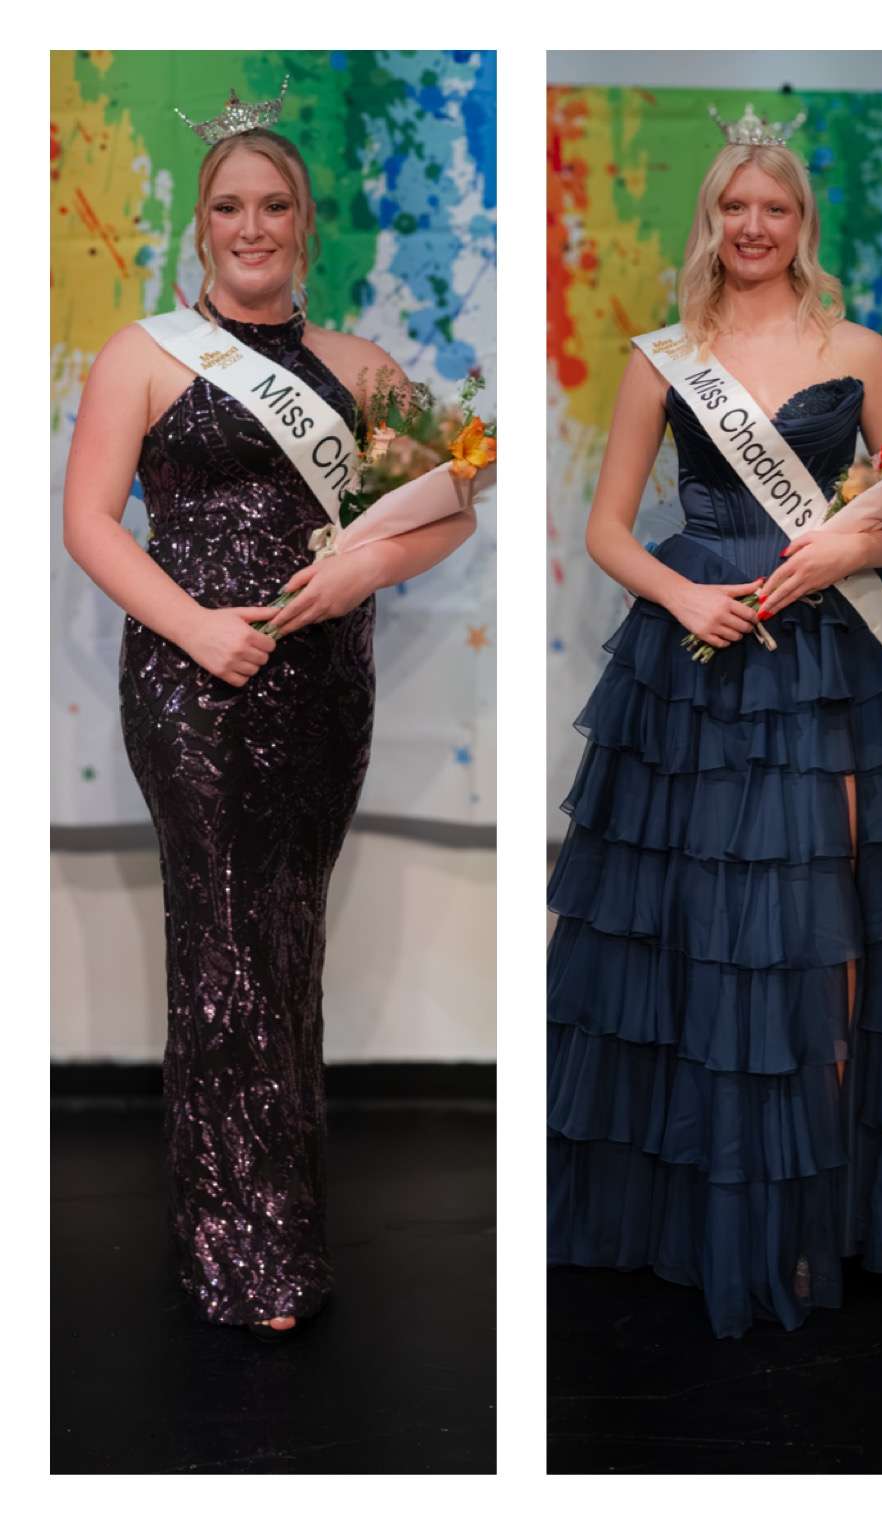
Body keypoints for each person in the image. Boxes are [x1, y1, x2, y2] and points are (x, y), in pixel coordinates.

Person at [546, 107, 882, 1338]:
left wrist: (837, 543)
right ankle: (714, 1213)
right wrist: (689, 590)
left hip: (825, 653)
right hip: (694, 652)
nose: (752, 225)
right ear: (712, 219)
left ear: (803, 225)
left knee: (825, 930)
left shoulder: (861, 345)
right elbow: (605, 528)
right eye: (734, 206)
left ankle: (818, 1215)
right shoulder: (662, 355)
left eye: (775, 208)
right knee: (702, 934)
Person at [61, 91, 477, 1339]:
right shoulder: (142, 355)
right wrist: (194, 627)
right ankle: (239, 1248)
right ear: (202, 227)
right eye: (229, 206)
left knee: (285, 944)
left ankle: (264, 1225)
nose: (252, 226)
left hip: (317, 687)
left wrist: (361, 569)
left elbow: (447, 509)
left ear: (306, 225)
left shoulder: (364, 370)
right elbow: (87, 521)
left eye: (275, 205)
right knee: (224, 941)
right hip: (191, 682)